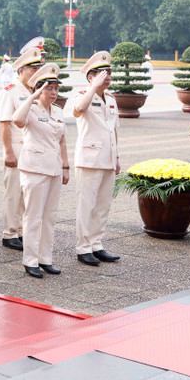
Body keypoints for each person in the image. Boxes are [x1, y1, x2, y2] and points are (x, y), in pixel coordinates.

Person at [12, 64, 69, 278]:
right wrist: (32, 96)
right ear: (39, 90)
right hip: (34, 169)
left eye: (55, 88)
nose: (53, 92)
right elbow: (17, 120)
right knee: (33, 216)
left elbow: (62, 139)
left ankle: (46, 259)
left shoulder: (59, 111)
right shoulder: (31, 108)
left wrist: (65, 166)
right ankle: (30, 260)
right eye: (48, 88)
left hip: (53, 168)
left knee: (50, 216)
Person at [70, 52, 121, 267]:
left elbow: (115, 130)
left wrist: (117, 156)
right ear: (90, 77)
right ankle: (83, 248)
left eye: (108, 72)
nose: (107, 76)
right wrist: (92, 88)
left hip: (107, 158)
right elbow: (78, 110)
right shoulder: (83, 95)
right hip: (89, 159)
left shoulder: (111, 99)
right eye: (101, 73)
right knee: (86, 205)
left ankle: (96, 244)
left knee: (103, 205)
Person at [0, 47, 43, 252]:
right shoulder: (11, 91)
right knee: (13, 194)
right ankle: (10, 233)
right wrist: (8, 152)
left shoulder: (35, 92)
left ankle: (23, 231)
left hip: (31, 150)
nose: (36, 73)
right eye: (33, 69)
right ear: (22, 70)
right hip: (16, 147)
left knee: (27, 194)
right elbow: (4, 123)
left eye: (38, 69)